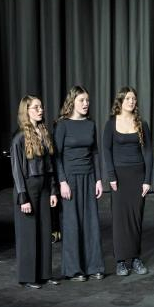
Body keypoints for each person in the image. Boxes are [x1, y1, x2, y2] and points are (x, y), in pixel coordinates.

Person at [55, 85, 105, 282]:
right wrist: (62, 181)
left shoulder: (90, 124)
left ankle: (94, 267)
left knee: (91, 223)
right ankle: (74, 269)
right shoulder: (62, 125)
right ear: (73, 102)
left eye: (87, 101)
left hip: (89, 177)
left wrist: (98, 179)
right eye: (82, 100)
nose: (86, 104)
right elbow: (57, 156)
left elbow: (94, 153)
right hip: (70, 179)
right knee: (72, 224)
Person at [103, 86, 153, 276]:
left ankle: (135, 258)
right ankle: (121, 261)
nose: (131, 102)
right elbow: (106, 151)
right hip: (119, 176)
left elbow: (148, 153)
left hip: (138, 175)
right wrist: (111, 176)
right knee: (119, 219)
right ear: (121, 102)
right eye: (128, 99)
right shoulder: (111, 124)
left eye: (134, 99)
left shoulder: (142, 123)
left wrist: (148, 180)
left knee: (135, 218)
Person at [10, 95, 59, 289]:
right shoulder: (19, 137)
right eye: (36, 107)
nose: (41, 110)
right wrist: (23, 197)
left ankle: (45, 274)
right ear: (27, 111)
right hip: (28, 188)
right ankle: (29, 276)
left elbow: (51, 165)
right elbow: (16, 170)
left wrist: (54, 190)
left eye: (41, 107)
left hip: (45, 186)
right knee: (28, 233)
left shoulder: (44, 132)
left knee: (45, 230)